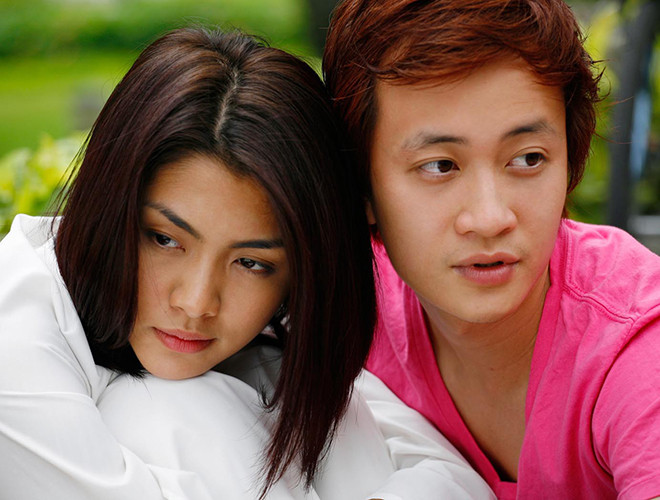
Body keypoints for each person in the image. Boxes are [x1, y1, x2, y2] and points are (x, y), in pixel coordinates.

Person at [0, 26, 494, 500]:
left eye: (252, 263)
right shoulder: (16, 339)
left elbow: (449, 476)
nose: (196, 302)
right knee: (156, 409)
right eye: (164, 240)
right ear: (109, 205)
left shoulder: (269, 335)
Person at [323, 0, 660, 499]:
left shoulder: (636, 347)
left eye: (528, 159)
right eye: (440, 166)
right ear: (361, 186)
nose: (489, 218)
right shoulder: (343, 310)